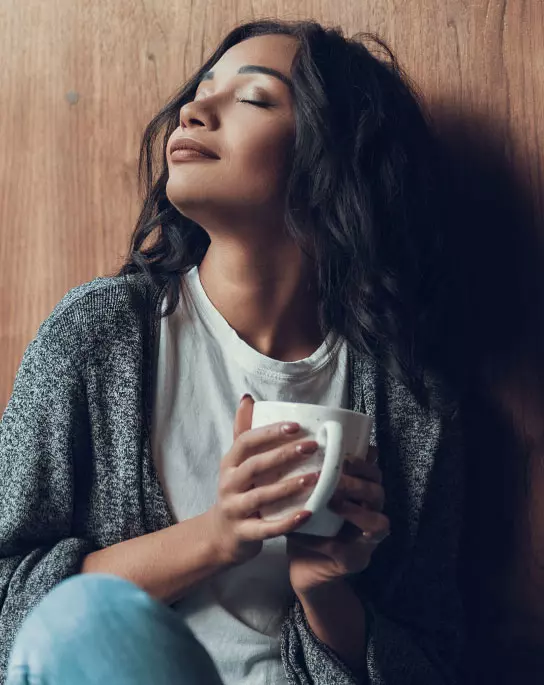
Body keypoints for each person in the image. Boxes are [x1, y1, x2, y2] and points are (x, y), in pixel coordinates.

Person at [0, 18, 466, 685]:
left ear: (330, 158)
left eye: (253, 98)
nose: (194, 108)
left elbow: (436, 662)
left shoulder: (414, 406)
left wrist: (325, 590)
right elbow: (16, 607)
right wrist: (219, 535)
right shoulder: (96, 338)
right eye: (201, 90)